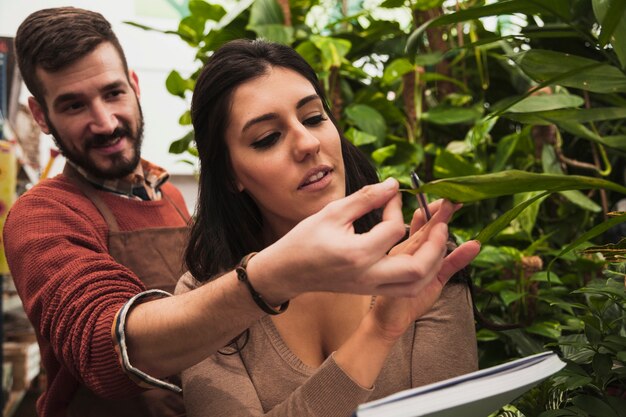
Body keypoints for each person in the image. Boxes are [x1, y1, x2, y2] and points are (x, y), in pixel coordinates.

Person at [3, 8, 476, 417]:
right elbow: (110, 349)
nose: (105, 122)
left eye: (112, 94)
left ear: (134, 86)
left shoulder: (166, 194)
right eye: (72, 105)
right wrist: (276, 278)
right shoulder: (41, 218)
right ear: (41, 117)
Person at [176, 39, 481, 417]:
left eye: (314, 117)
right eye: (267, 138)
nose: (307, 143)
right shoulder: (204, 296)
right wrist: (381, 329)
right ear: (229, 175)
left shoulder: (420, 261)